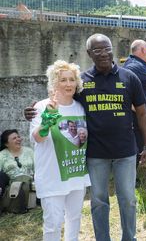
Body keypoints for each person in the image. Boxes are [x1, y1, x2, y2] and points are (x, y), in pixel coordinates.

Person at [25, 34, 146, 241]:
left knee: (128, 199)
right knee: (99, 201)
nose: (103, 53)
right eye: (97, 50)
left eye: (107, 48)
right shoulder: (82, 81)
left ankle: (129, 238)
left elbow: (142, 113)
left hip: (126, 151)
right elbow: (60, 98)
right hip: (96, 153)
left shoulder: (129, 77)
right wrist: (35, 109)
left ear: (112, 49)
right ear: (89, 53)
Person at [30, 60, 91, 241]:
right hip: (51, 176)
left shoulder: (80, 108)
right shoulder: (41, 107)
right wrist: (49, 117)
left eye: (72, 79)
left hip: (75, 173)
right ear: (54, 83)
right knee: (53, 224)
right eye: (63, 80)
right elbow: (37, 137)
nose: (68, 84)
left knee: (74, 219)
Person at [123, 39, 146, 164]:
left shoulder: (139, 66)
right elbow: (125, 90)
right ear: (143, 50)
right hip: (137, 117)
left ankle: (133, 178)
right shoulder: (133, 66)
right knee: (137, 148)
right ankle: (131, 180)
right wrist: (137, 108)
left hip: (142, 116)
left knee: (139, 147)